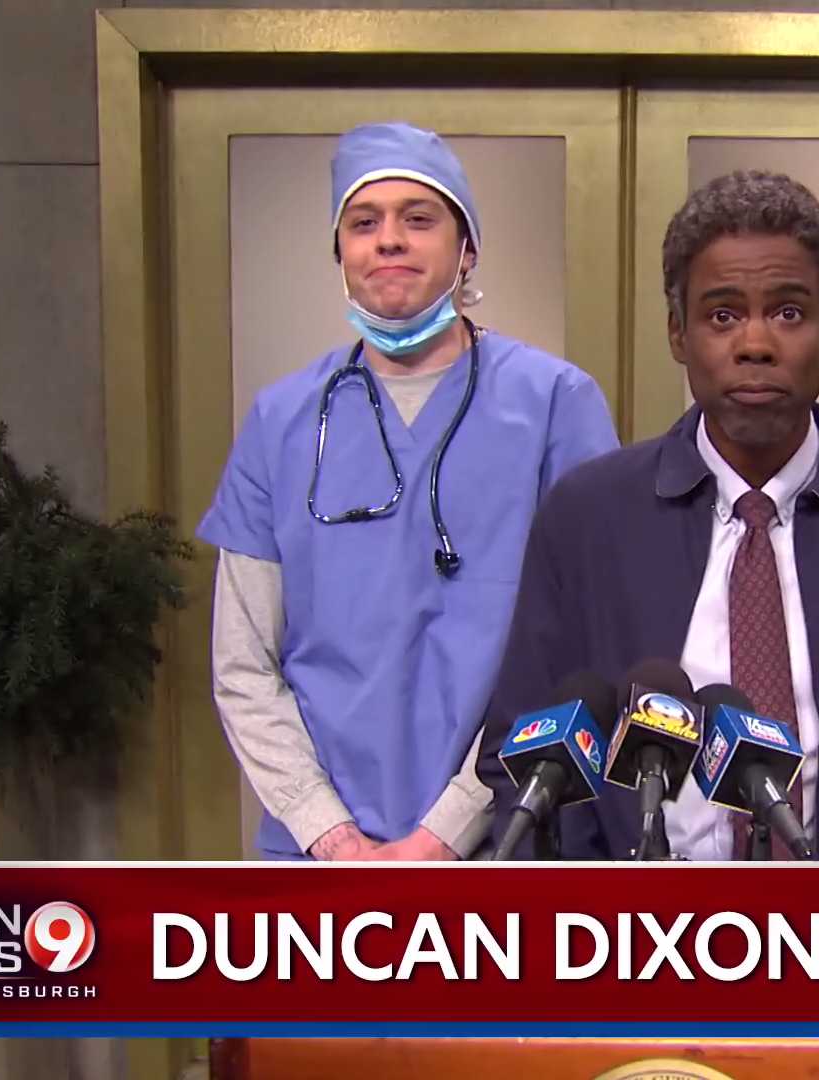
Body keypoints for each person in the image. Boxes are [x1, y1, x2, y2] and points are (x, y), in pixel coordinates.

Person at [477, 169, 819, 861]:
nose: (756, 343)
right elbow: (526, 752)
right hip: (630, 922)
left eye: (789, 313)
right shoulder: (587, 520)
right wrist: (596, 912)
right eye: (723, 316)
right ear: (678, 333)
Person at [200, 122, 619, 861]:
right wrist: (332, 837)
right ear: (341, 253)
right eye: (363, 223)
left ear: (467, 249)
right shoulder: (280, 421)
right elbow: (242, 664)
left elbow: (583, 651)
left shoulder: (556, 404)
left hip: (508, 840)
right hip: (320, 861)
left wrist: (444, 835)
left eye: (418, 218)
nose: (388, 240)